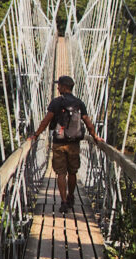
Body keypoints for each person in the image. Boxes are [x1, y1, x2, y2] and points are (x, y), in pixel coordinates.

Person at [30, 75, 102, 212]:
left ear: (64, 87)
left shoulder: (56, 102)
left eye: (59, 85)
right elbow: (87, 121)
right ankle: (70, 197)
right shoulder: (79, 103)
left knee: (61, 173)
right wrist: (95, 136)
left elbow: (46, 121)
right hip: (74, 143)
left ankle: (63, 202)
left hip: (59, 143)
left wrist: (35, 135)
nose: (57, 87)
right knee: (73, 172)